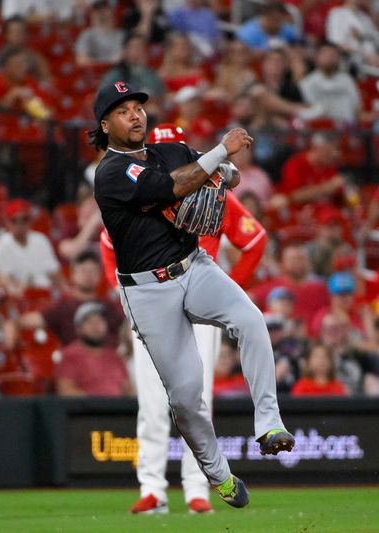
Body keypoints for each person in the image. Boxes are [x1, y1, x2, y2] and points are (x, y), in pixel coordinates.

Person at [90, 81, 292, 509]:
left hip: (194, 266)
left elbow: (218, 175)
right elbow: (171, 187)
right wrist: (221, 153)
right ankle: (218, 476)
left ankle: (270, 425)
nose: (135, 115)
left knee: (252, 320)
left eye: (138, 107)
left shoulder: (169, 151)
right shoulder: (109, 172)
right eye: (123, 110)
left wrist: (226, 173)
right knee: (184, 398)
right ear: (105, 125)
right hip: (147, 293)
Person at [113, 123, 269, 514]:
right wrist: (124, 298)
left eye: (172, 148)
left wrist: (230, 287)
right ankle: (152, 488)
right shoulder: (139, 191)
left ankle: (198, 488)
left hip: (199, 293)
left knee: (197, 399)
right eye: (160, 148)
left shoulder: (210, 183)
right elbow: (108, 244)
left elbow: (254, 240)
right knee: (151, 401)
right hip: (151, 297)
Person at [55, 302, 133, 397]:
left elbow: (128, 389)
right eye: (90, 322)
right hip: (86, 409)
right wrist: (97, 404)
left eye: (100, 321)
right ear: (78, 328)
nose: (96, 326)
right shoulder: (70, 356)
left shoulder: (114, 356)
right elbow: (65, 390)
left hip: (119, 409)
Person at [0, 199, 63, 296]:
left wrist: (65, 290)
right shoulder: (0, 246)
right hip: (18, 295)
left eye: (24, 219)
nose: (20, 224)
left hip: (45, 292)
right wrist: (24, 293)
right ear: (7, 222)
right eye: (14, 220)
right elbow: (3, 279)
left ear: (30, 221)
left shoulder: (41, 240)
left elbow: (54, 273)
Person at [298, 42, 362, 125]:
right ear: (317, 57)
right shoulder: (306, 83)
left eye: (334, 54)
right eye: (326, 54)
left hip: (347, 128)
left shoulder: (347, 80)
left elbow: (357, 107)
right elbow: (306, 110)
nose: (330, 58)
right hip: (320, 128)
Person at [75, 0, 125, 67]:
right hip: (95, 74)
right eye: (97, 9)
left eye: (105, 8)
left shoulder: (122, 34)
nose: (101, 12)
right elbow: (81, 60)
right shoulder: (86, 35)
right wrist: (108, 63)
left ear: (112, 10)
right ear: (92, 13)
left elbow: (127, 57)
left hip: (119, 73)